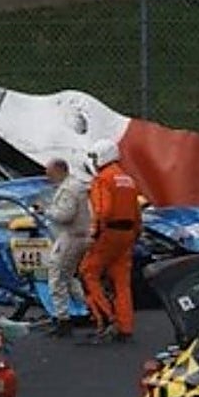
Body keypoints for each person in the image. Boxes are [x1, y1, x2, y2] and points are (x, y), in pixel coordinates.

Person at [80, 139, 142, 343]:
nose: (94, 162)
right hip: (127, 234)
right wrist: (135, 234)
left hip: (109, 233)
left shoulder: (103, 179)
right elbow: (136, 211)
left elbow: (102, 210)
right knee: (121, 282)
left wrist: (94, 233)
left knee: (88, 273)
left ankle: (106, 319)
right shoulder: (128, 179)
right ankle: (125, 325)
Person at [32, 158, 91, 338]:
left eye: (49, 172)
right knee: (68, 277)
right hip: (77, 235)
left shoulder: (69, 189)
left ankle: (63, 319)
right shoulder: (76, 186)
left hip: (71, 236)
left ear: (59, 170)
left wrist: (45, 211)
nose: (47, 176)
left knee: (56, 276)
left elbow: (65, 215)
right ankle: (90, 309)